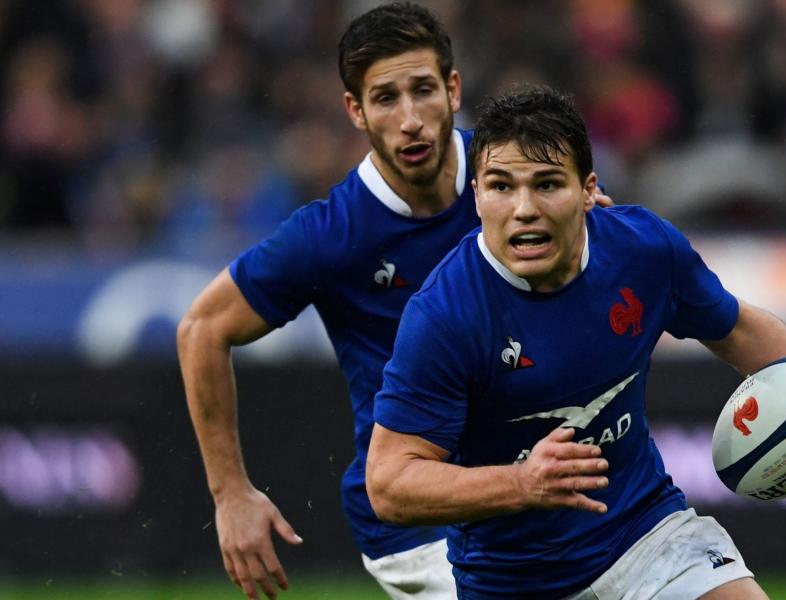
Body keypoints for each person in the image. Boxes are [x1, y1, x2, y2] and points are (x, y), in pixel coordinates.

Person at [366, 84, 786, 599]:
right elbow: (390, 483)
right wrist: (521, 483)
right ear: (476, 194)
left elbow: (737, 328)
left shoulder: (643, 249)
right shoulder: (444, 315)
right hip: (513, 582)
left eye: (548, 185)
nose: (523, 208)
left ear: (589, 189)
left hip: (647, 536)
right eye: (501, 186)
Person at [176, 4, 619, 599]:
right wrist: (230, 494)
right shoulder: (332, 235)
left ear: (454, 89)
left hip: (535, 481)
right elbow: (201, 328)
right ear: (355, 111)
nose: (410, 119)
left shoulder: (517, 181)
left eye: (423, 91)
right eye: (385, 98)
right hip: (420, 525)